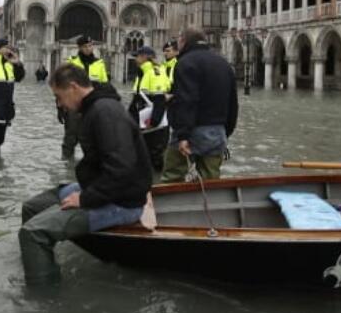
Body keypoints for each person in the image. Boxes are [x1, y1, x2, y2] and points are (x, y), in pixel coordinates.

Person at [19, 63, 152, 284]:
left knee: (33, 234)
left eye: (59, 97)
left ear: (73, 87)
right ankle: (34, 261)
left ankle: (43, 301)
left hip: (123, 201)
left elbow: (122, 169)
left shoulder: (105, 112)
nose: (60, 104)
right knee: (31, 207)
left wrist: (84, 199)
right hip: (100, 188)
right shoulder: (93, 109)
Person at [160, 28, 238, 183]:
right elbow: (233, 104)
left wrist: (182, 135)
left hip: (192, 131)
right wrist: (225, 132)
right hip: (218, 132)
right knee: (211, 180)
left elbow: (187, 101)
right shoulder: (223, 63)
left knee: (172, 176)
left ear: (183, 41)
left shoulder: (186, 63)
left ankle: (173, 205)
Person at [60, 35, 109, 158]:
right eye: (85, 46)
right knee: (70, 138)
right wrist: (60, 106)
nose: (88, 48)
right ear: (80, 48)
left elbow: (105, 86)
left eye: (90, 46)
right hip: (75, 106)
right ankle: (67, 166)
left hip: (94, 106)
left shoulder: (99, 63)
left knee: (94, 138)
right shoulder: (71, 62)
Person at [127, 46, 171, 172]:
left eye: (138, 56)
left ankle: (156, 186)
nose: (135, 59)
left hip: (153, 127)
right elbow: (137, 100)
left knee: (155, 158)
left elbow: (159, 100)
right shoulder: (143, 73)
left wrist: (153, 123)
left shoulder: (155, 72)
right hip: (142, 124)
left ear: (145, 57)